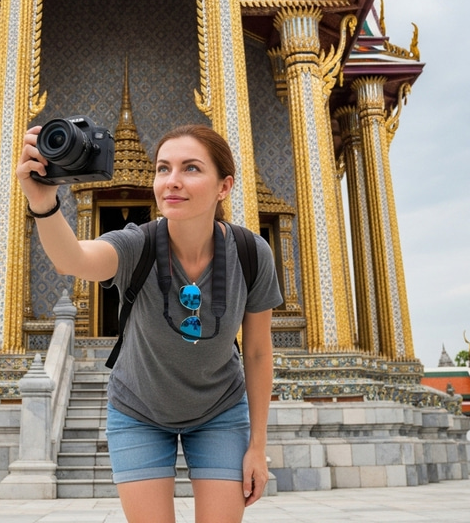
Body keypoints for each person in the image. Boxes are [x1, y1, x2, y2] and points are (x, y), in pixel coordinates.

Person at [17, 123, 283, 523]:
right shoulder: (136, 243)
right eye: (163, 169)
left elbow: (260, 352)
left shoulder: (250, 252)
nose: (172, 182)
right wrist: (43, 202)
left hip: (220, 410)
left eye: (190, 168)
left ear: (224, 187)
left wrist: (257, 446)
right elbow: (71, 260)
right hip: (138, 409)